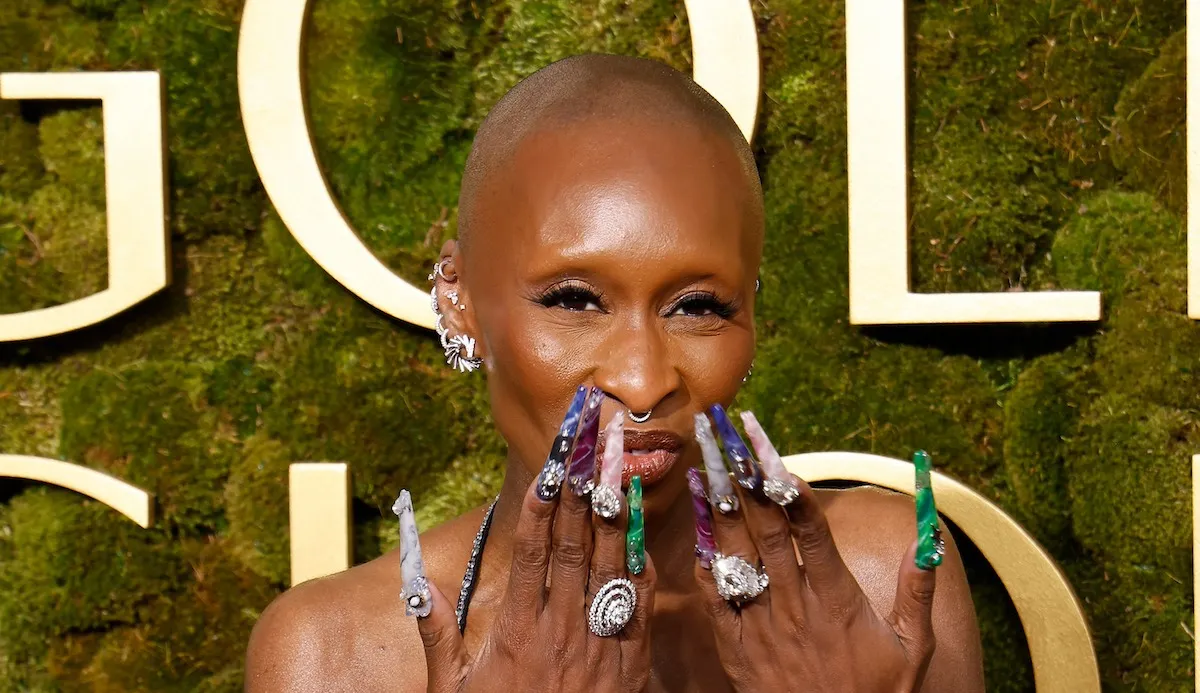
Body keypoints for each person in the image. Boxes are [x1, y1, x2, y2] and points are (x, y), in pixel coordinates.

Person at [244, 54, 986, 692]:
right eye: (574, 300)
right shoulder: (334, 655)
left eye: (698, 307)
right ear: (458, 299)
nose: (641, 379)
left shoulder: (881, 580)